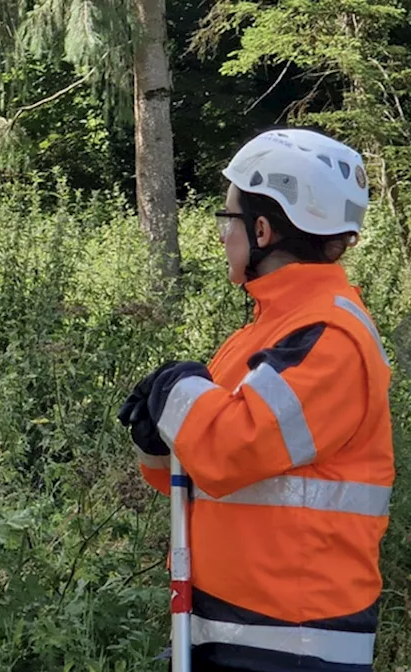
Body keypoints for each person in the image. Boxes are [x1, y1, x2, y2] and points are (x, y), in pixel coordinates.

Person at [118, 128, 394, 671]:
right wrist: (154, 435)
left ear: (262, 231)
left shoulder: (327, 338)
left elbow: (228, 448)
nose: (223, 235)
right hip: (238, 626)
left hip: (294, 640)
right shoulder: (269, 331)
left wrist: (173, 391)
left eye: (229, 219)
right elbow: (196, 471)